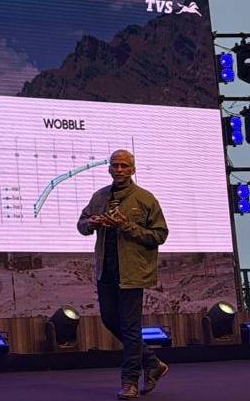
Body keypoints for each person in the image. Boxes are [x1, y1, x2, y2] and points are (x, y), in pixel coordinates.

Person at [77, 149, 169, 399]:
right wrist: (90, 224)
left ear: (133, 170)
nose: (119, 170)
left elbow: (159, 235)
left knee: (130, 328)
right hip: (106, 271)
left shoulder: (145, 198)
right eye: (115, 165)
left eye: (124, 166)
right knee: (110, 320)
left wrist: (125, 225)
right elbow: (81, 224)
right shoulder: (99, 196)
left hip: (132, 273)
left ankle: (129, 381)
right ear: (109, 169)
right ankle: (152, 363)